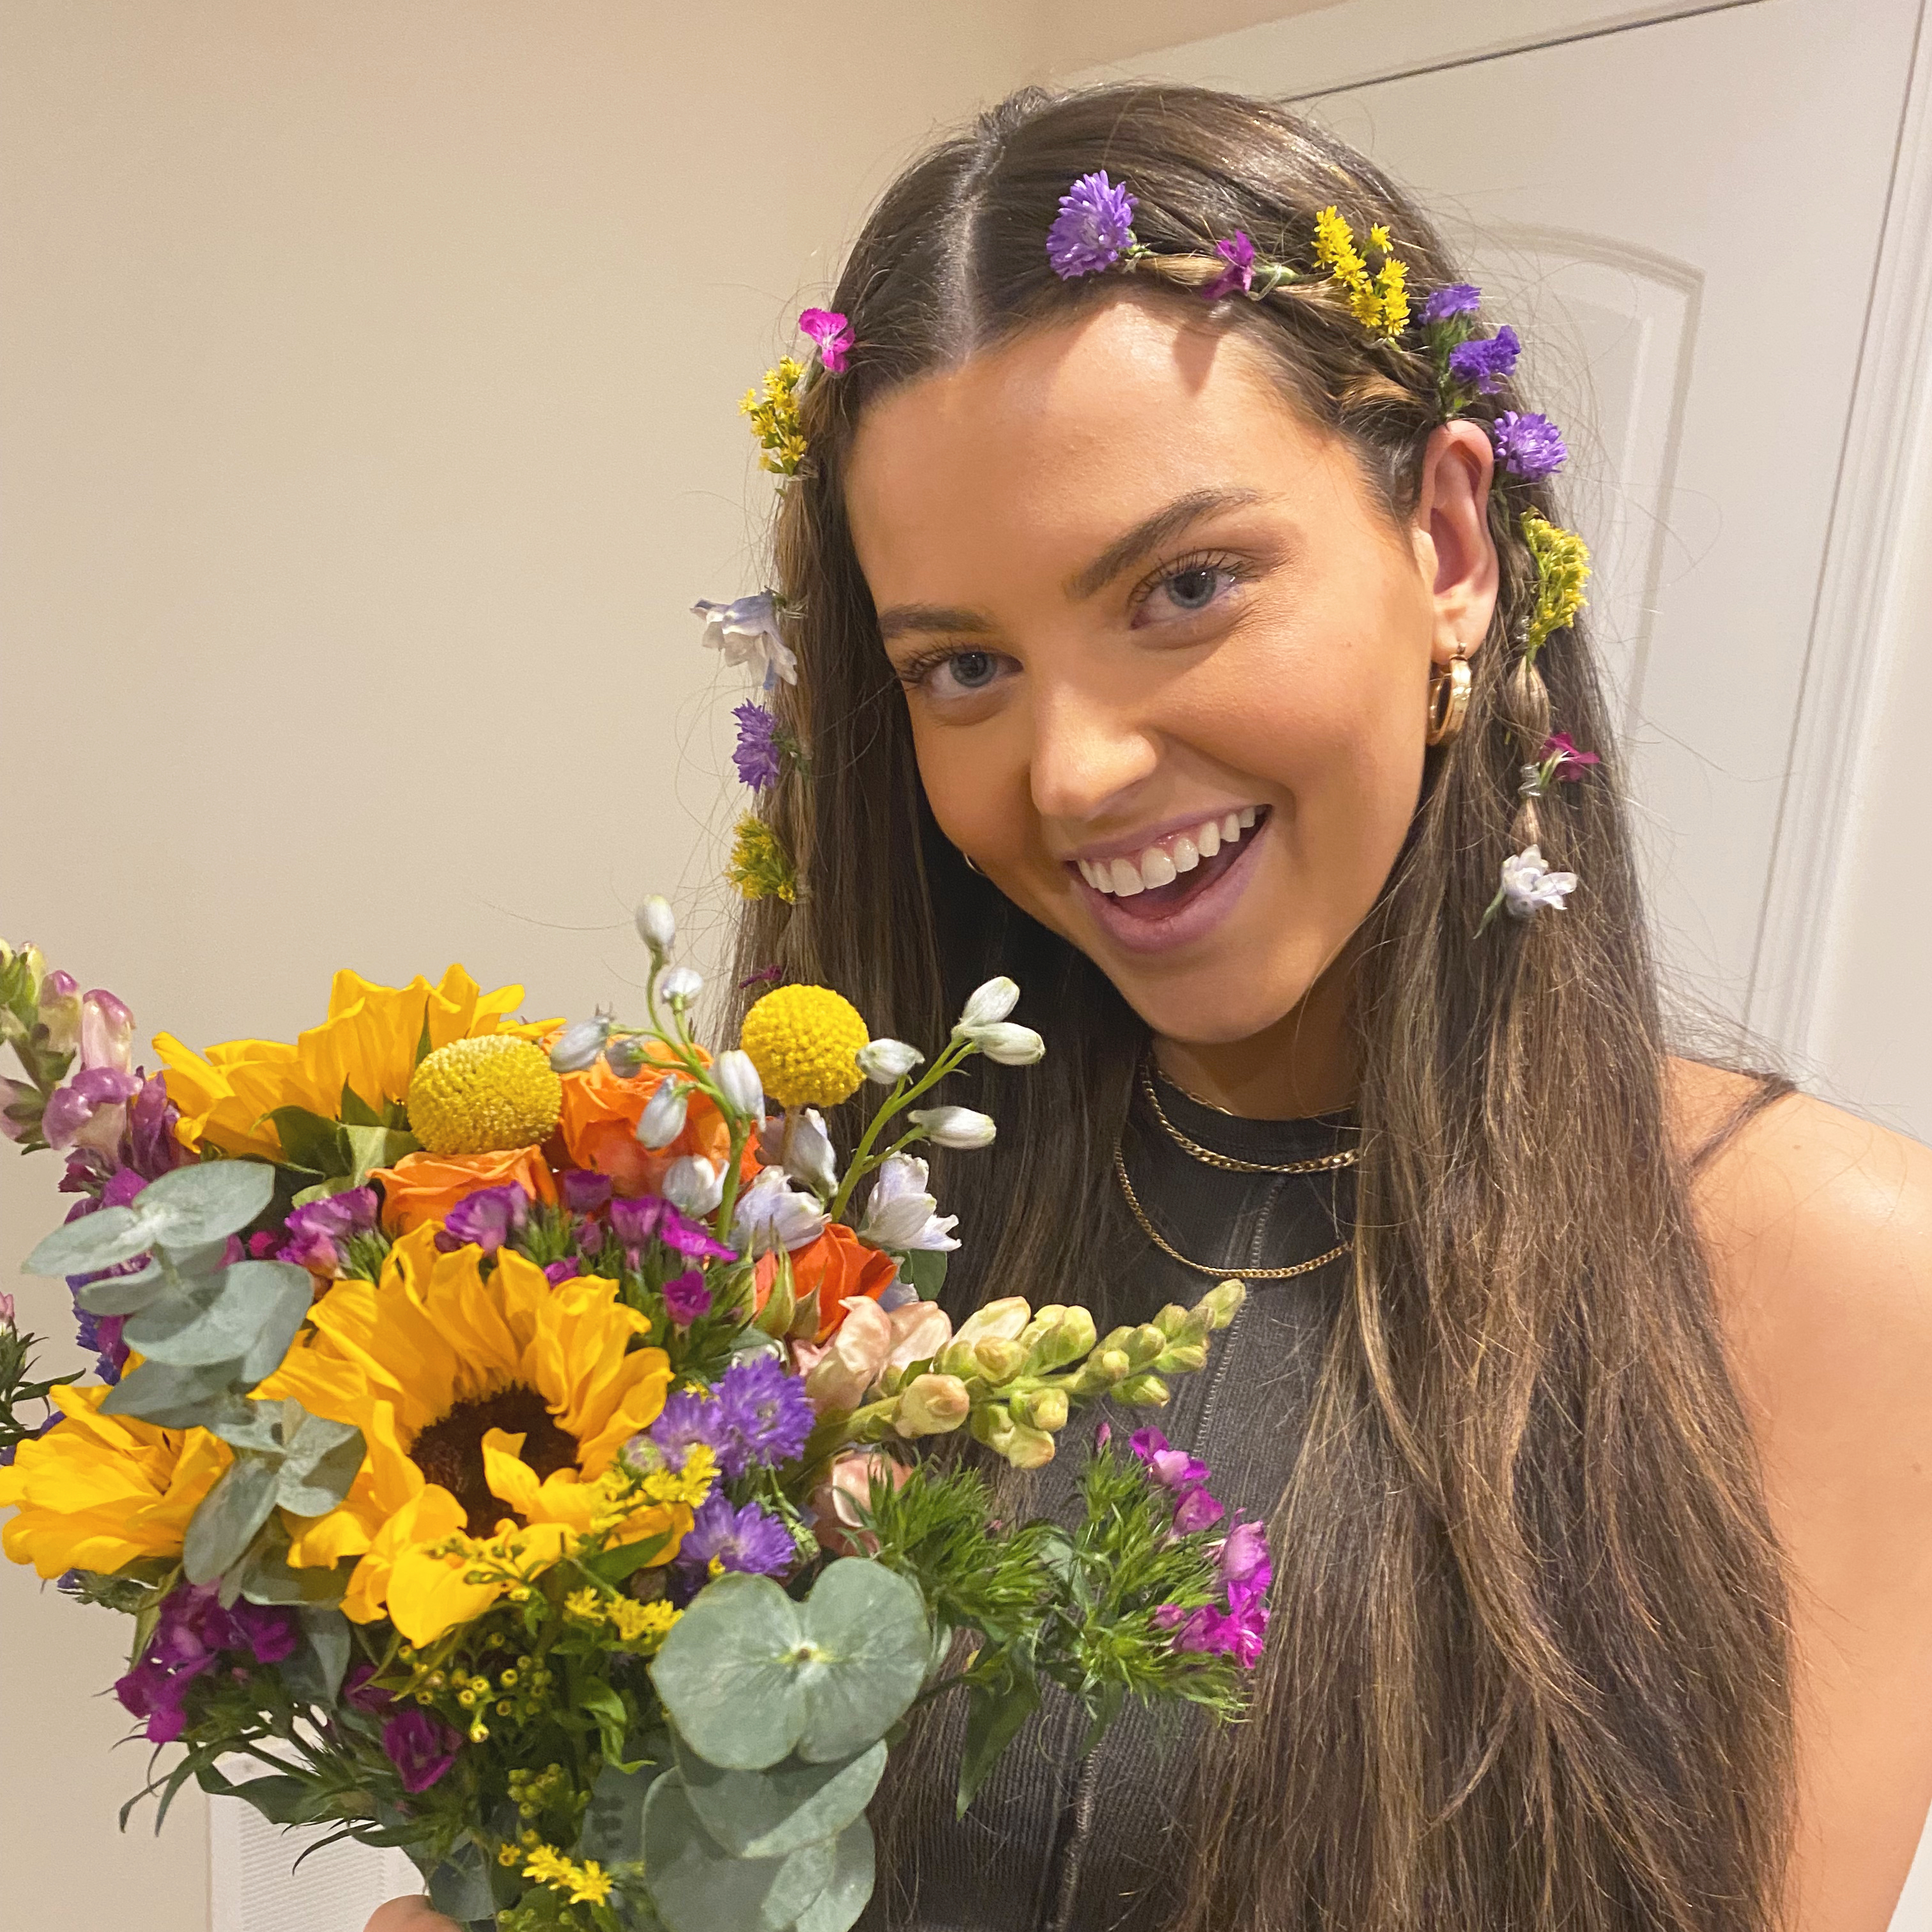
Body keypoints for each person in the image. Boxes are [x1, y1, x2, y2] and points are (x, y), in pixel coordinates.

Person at [369, 83, 1932, 1932]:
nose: (1077, 768)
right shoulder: (819, 1248)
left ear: (1445, 543)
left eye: (1186, 586)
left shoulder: (1827, 1276)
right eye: (964, 665)